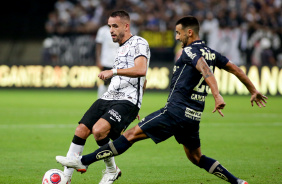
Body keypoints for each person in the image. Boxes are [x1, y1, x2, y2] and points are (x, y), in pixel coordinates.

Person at [56, 16, 268, 184]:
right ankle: (237, 181)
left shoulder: (189, 51)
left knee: (129, 135)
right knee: (197, 158)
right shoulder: (212, 53)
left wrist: (217, 94)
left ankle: (82, 161)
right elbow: (236, 69)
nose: (177, 37)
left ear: (189, 32)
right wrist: (253, 89)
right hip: (192, 117)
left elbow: (204, 69)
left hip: (174, 111)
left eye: (178, 33)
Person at [59, 10, 150, 184]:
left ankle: (107, 169)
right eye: (109, 26)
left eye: (115, 26)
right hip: (109, 96)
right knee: (81, 130)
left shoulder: (139, 42)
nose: (111, 30)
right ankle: (66, 179)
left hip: (126, 100)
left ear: (126, 26)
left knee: (99, 130)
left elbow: (141, 70)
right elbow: (144, 81)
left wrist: (135, 102)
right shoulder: (121, 48)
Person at [95, 23, 119, 98]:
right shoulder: (102, 30)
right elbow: (98, 46)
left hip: (117, 61)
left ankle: (111, 101)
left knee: (117, 83)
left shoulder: (119, 29)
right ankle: (100, 99)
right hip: (106, 61)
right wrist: (98, 60)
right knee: (105, 82)